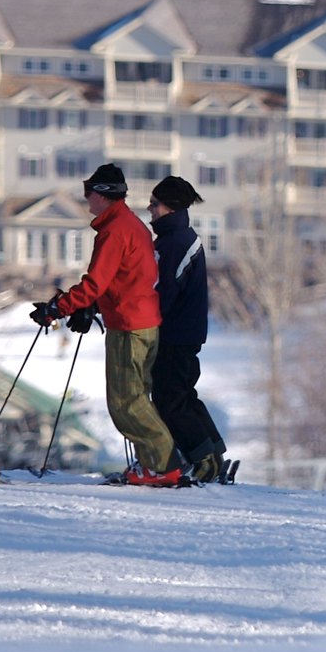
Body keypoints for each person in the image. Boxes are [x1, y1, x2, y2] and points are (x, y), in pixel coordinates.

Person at [31, 163, 182, 486]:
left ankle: (165, 465)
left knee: (125, 401)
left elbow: (95, 283)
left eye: (89, 192)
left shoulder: (115, 230)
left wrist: (58, 308)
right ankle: (151, 466)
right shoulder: (132, 225)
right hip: (142, 320)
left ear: (102, 195)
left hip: (129, 326)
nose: (86, 199)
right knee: (137, 397)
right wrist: (90, 306)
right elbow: (125, 279)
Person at [146, 176, 228, 483]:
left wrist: (146, 319)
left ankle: (203, 459)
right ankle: (213, 452)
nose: (149, 209)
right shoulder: (176, 239)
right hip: (185, 333)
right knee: (183, 395)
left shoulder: (177, 242)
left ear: (170, 207)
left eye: (154, 203)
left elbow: (164, 292)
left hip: (176, 335)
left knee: (170, 400)